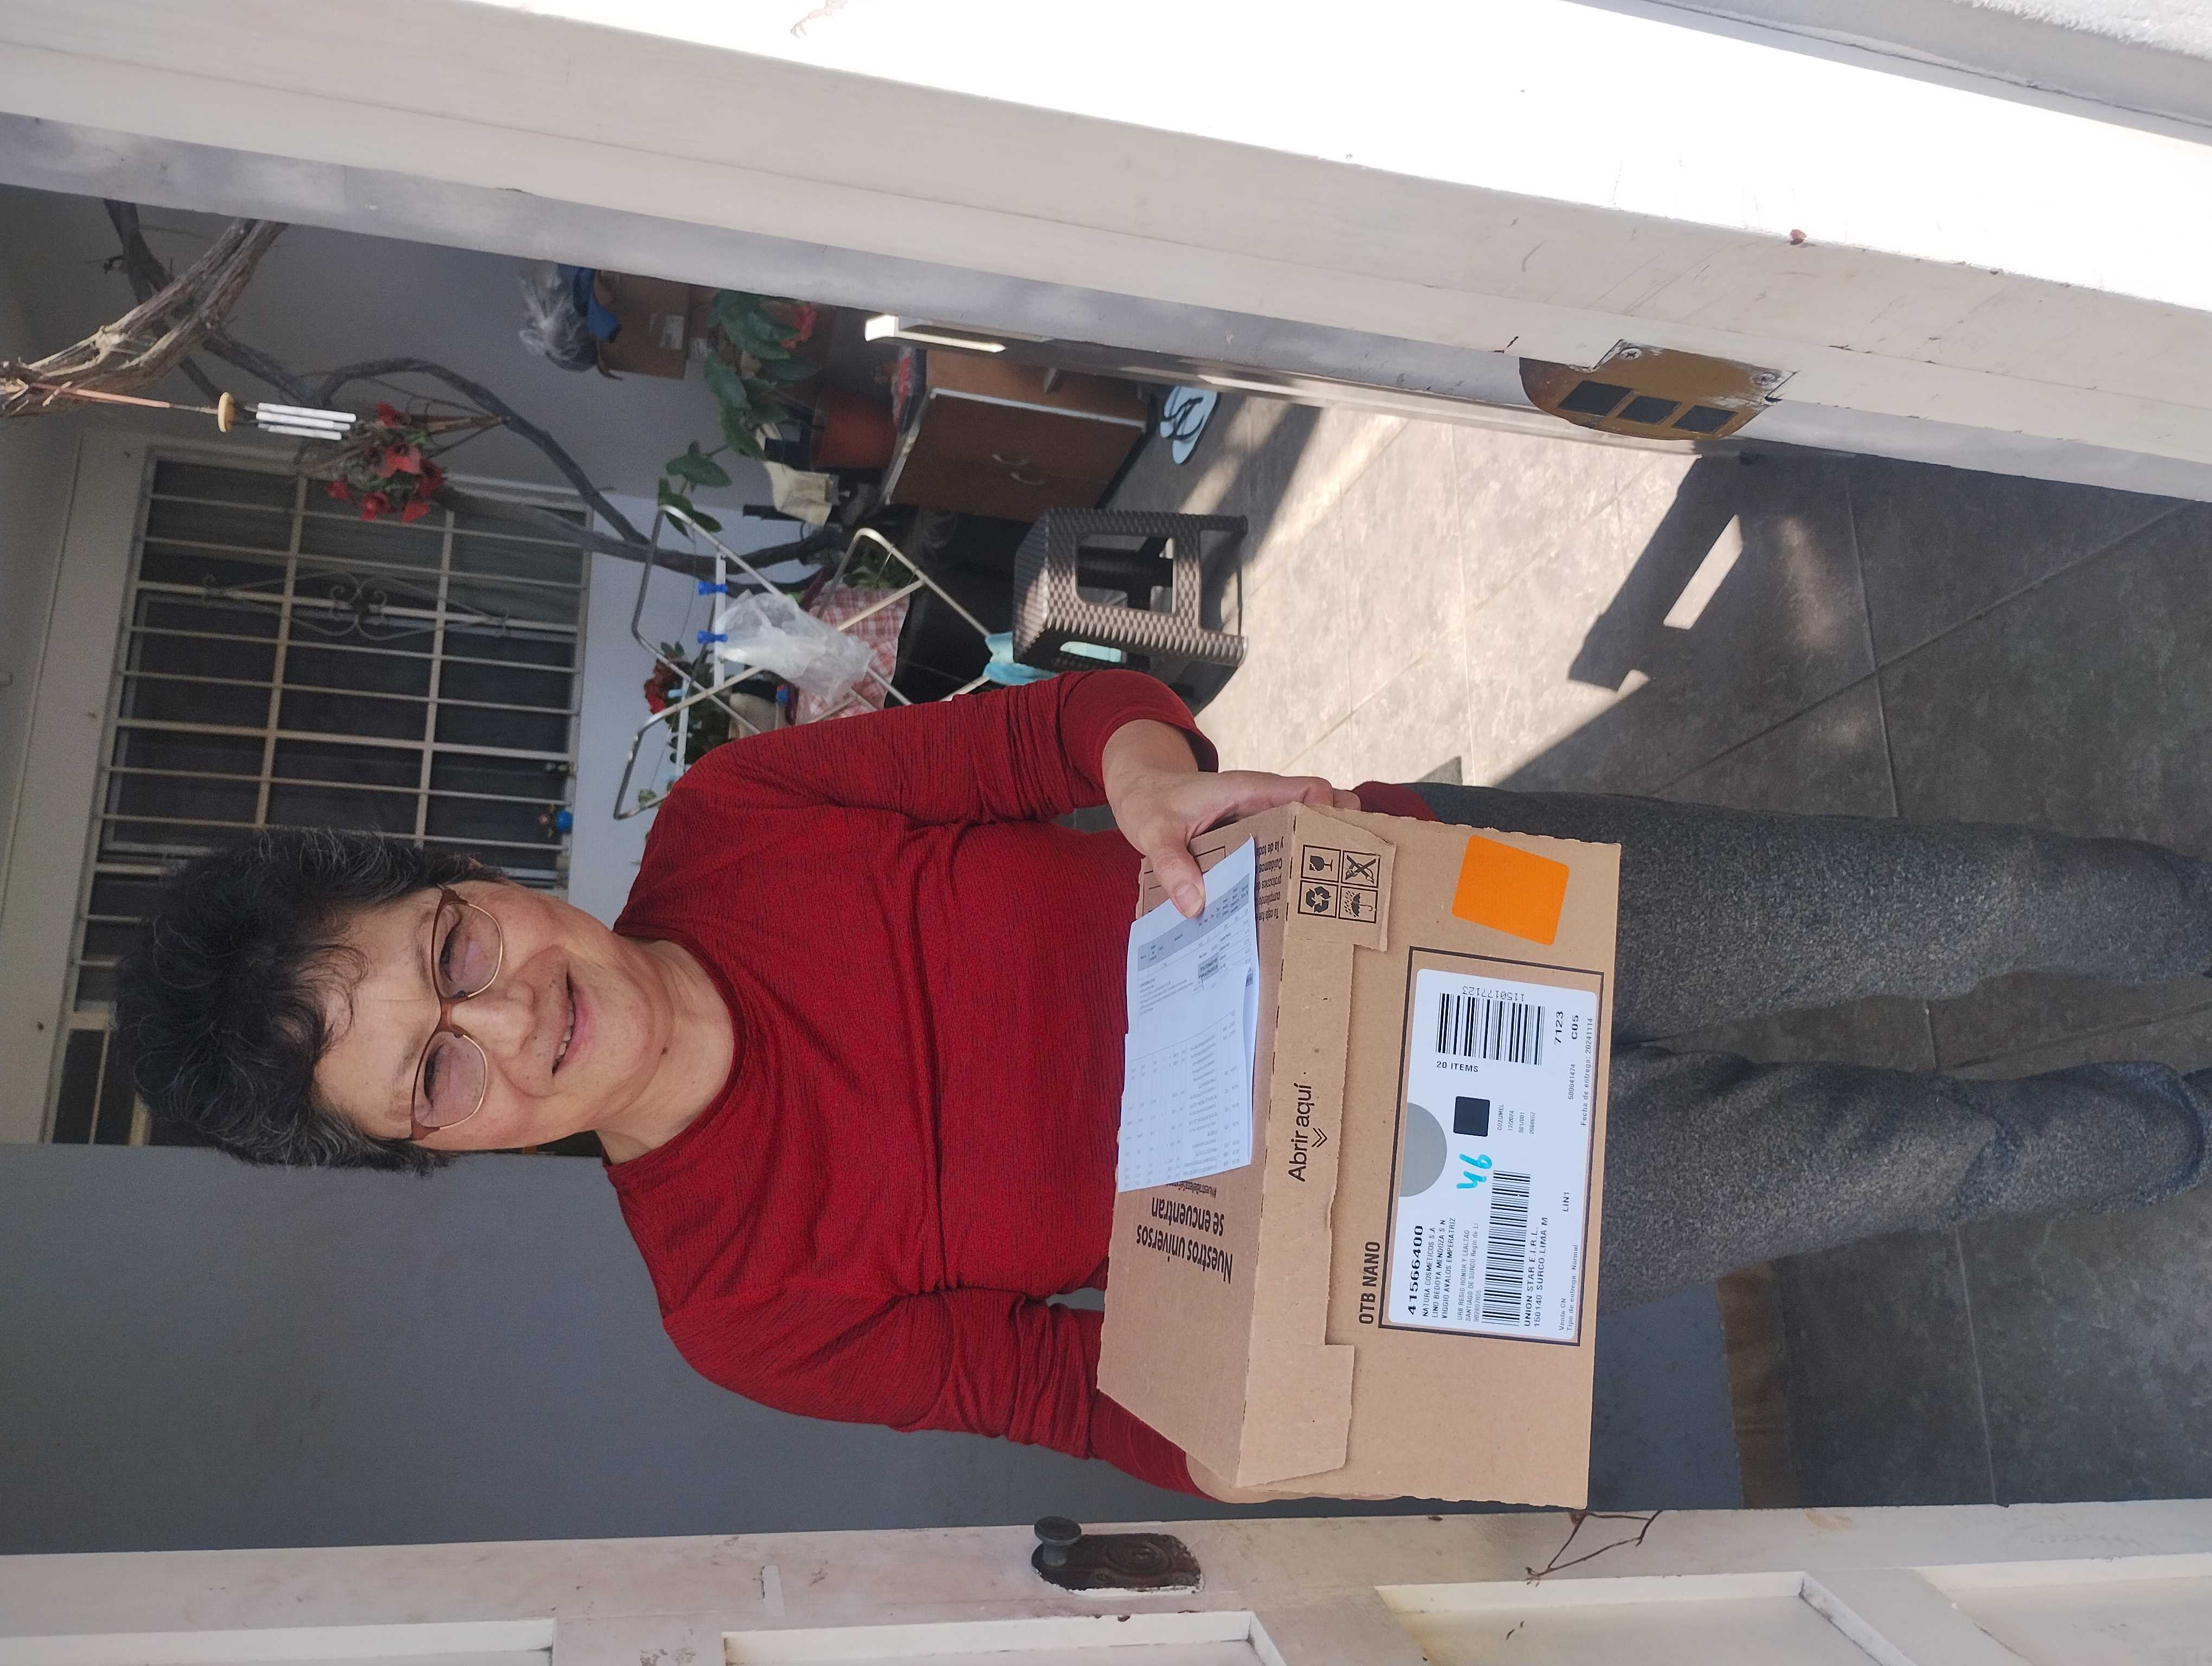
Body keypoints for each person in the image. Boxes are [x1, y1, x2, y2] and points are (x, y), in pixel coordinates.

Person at [118, 670, 2210, 1499]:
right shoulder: (743, 1308)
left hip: (1440, 898)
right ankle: (2186, 1130)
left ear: (473, 880)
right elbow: (1080, 1395)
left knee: (1976, 899)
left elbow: (1060, 733)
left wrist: (1141, 776)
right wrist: (1288, 1432)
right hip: (1425, 1218)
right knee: (1930, 1161)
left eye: (451, 955)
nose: (505, 1025)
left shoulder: (742, 820)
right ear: (440, 1151)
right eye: (433, 1080)